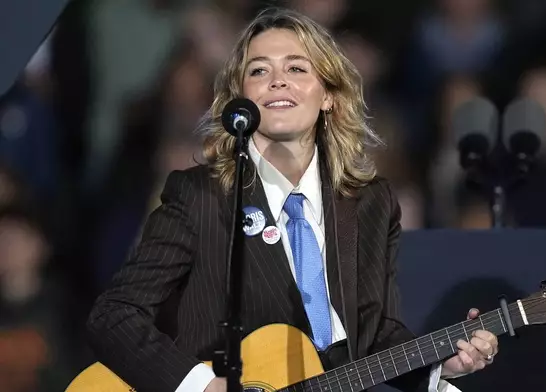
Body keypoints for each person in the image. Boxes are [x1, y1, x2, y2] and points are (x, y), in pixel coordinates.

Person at [85, 7, 499, 392]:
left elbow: (374, 336)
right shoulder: (202, 196)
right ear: (240, 99)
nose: (277, 80)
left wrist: (437, 366)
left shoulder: (372, 203)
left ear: (329, 96)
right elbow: (114, 316)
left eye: (297, 68)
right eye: (259, 70)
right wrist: (201, 386)